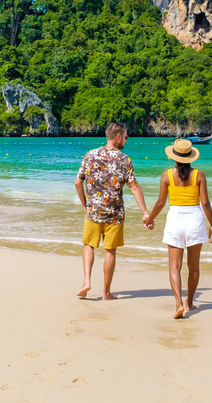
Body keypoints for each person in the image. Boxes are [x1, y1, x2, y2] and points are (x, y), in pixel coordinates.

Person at [74, 121, 150, 300]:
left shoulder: (90, 155)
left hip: (93, 212)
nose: (126, 140)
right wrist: (145, 213)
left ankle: (86, 281)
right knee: (110, 251)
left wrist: (85, 205)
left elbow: (78, 182)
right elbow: (134, 187)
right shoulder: (125, 159)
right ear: (118, 137)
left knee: (88, 246)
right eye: (125, 136)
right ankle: (106, 293)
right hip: (114, 215)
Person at [145, 138, 212, 319]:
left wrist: (149, 219)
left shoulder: (166, 175)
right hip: (195, 219)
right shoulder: (199, 175)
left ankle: (178, 304)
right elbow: (206, 203)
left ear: (174, 157)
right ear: (191, 157)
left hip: (175, 219)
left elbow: (161, 202)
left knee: (174, 266)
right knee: (193, 267)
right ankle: (189, 303)